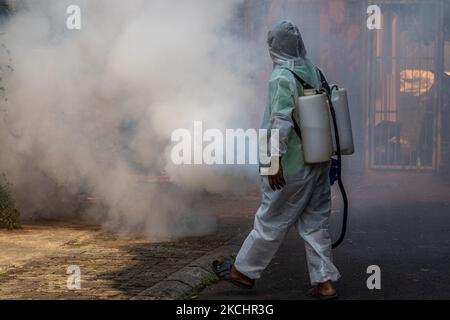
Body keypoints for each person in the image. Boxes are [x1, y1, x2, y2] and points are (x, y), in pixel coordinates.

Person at [213, 20, 340, 300]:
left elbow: (280, 123)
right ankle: (325, 283)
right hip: (318, 160)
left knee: (270, 219)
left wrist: (273, 162)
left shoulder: (281, 77)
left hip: (291, 163)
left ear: (276, 47)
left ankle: (244, 272)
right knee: (315, 224)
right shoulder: (314, 70)